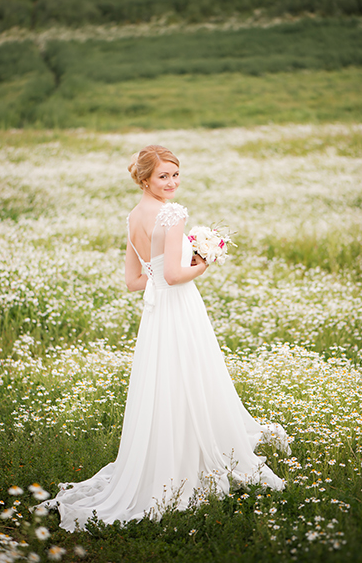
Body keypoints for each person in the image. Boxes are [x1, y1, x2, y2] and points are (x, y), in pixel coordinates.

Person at [43, 145, 289, 531]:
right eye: (163, 176)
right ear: (145, 179)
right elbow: (173, 277)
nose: (172, 182)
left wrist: (170, 266)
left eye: (175, 174)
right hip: (179, 307)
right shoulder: (173, 214)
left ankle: (171, 450)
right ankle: (196, 455)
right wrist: (205, 262)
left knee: (165, 381)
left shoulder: (132, 217)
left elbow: (133, 282)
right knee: (193, 375)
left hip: (155, 317)